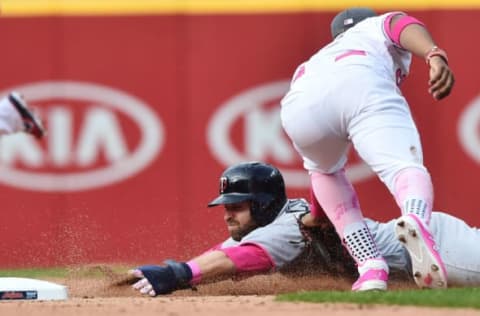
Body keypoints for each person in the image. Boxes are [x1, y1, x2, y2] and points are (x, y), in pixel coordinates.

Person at [279, 7, 455, 291]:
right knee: (404, 167)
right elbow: (400, 23)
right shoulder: (373, 27)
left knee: (324, 172)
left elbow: (323, 173)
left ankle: (370, 267)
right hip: (361, 84)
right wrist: (434, 54)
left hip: (298, 105)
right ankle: (415, 218)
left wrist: (319, 216)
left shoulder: (317, 60)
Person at [128, 162, 480, 297]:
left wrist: (180, 274)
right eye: (225, 207)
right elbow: (223, 255)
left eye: (236, 206)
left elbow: (246, 259)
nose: (227, 215)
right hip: (420, 257)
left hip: (435, 248)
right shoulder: (260, 228)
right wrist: (178, 271)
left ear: (263, 203)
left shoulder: (287, 227)